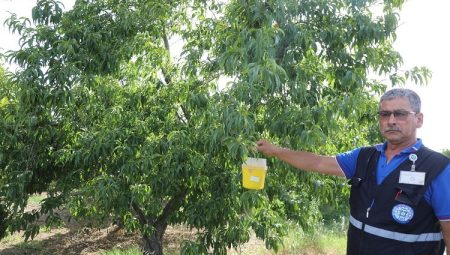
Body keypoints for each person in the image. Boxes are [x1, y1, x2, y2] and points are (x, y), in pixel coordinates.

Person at [256, 88, 450, 255]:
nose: (391, 120)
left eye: (400, 114)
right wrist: (275, 150)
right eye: (384, 114)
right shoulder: (364, 156)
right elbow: (318, 163)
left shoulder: (438, 168)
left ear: (419, 119)